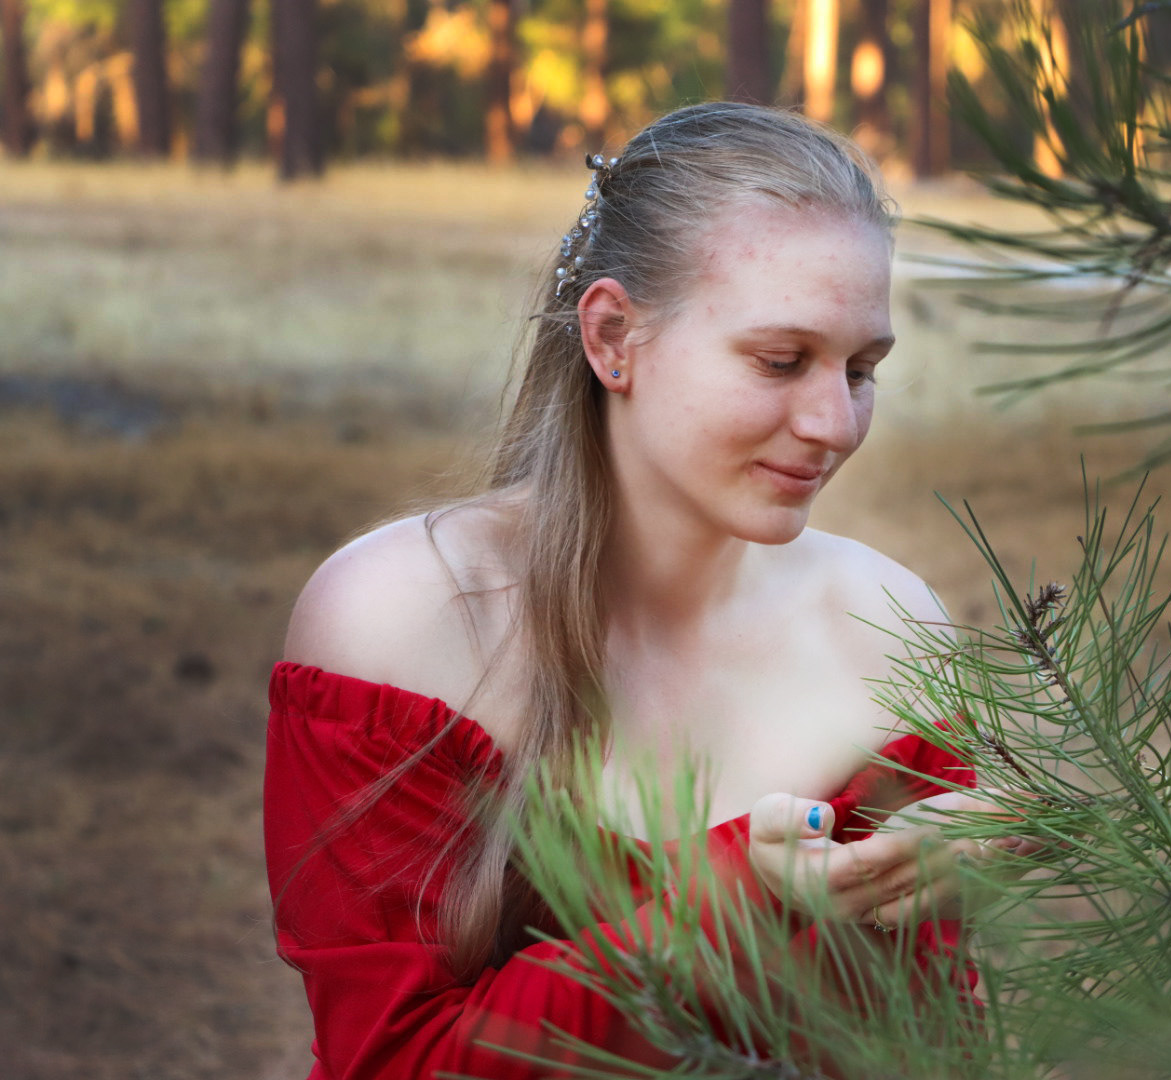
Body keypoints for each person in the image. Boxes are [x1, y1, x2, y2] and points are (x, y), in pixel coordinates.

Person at [263, 102, 1035, 1080]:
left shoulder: (886, 626)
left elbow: (933, 1047)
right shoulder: (401, 619)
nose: (835, 424)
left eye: (862, 369)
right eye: (782, 360)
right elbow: (397, 1060)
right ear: (613, 337)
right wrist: (736, 902)